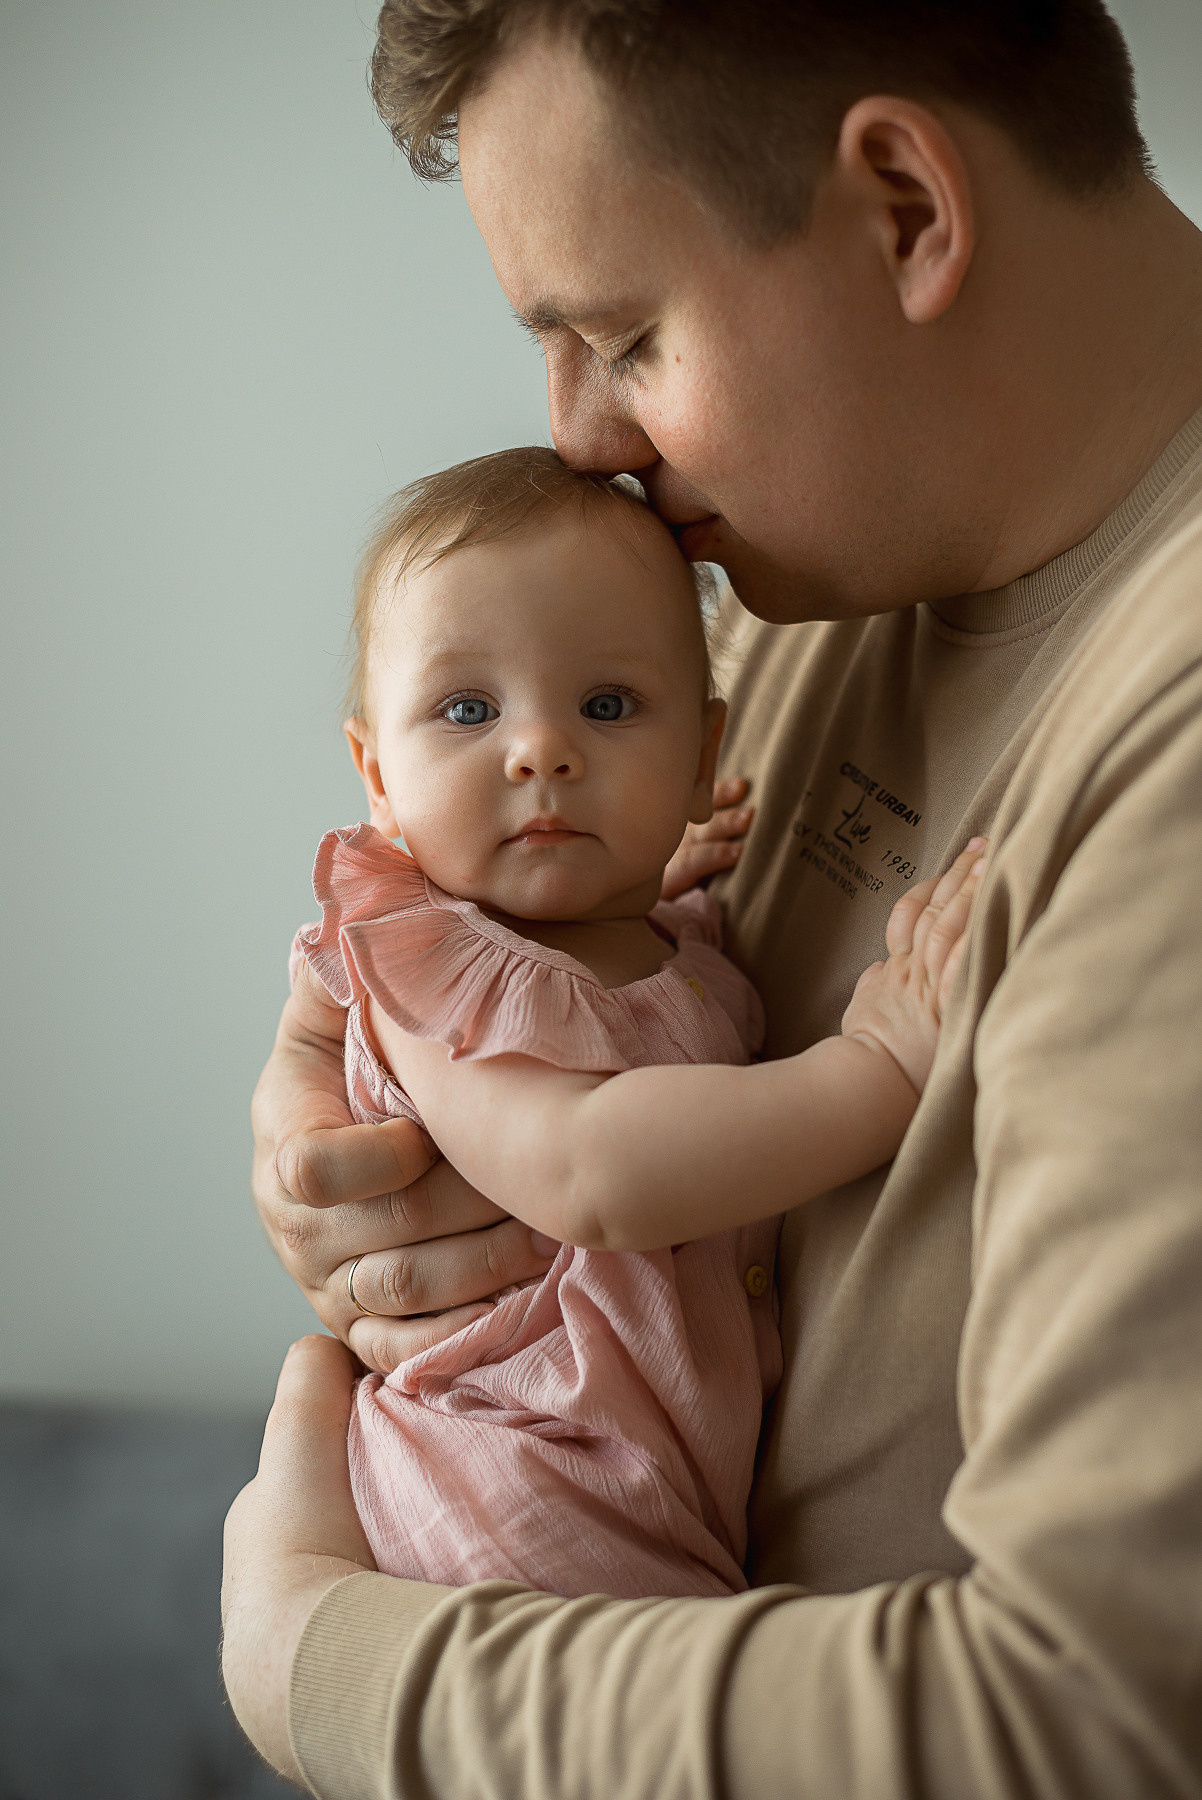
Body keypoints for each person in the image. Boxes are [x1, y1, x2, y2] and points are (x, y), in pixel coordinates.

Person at [223, 1, 1202, 1793]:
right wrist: (326, 1139)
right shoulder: (790, 570)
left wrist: (323, 1665)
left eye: (622, 337)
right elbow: (509, 965)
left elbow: (1085, 1717)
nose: (583, 444)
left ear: (904, 208)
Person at [293, 443, 982, 1601]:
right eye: (466, 708)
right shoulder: (428, 966)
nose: (540, 749)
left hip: (647, 1480)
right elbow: (591, 1166)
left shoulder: (681, 941)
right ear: (375, 774)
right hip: (512, 1480)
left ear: (701, 753)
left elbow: (627, 1018)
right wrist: (877, 1067)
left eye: (608, 707)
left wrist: (656, 879)